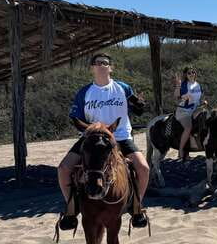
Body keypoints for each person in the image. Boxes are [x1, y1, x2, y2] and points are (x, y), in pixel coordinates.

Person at [56, 53, 150, 230]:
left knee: (143, 168)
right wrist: (90, 131)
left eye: (105, 63)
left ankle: (137, 208)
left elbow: (137, 108)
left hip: (120, 136)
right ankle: (71, 210)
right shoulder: (84, 92)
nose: (101, 65)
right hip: (91, 138)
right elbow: (76, 118)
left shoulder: (123, 88)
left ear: (111, 68)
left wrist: (140, 105)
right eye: (97, 63)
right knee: (63, 169)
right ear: (92, 68)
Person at [173, 66, 203, 160]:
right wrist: (178, 86)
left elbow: (199, 98)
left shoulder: (198, 85)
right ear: (186, 75)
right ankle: (181, 150)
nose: (192, 74)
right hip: (184, 111)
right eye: (189, 73)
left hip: (195, 109)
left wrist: (203, 102)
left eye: (193, 72)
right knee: (188, 127)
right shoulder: (184, 84)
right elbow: (176, 96)